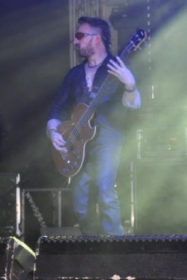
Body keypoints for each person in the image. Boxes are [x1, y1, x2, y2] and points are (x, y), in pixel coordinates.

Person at [46, 17, 140, 236]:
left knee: (106, 191)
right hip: (78, 141)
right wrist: (53, 132)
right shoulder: (74, 74)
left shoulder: (117, 67)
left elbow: (133, 106)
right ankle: (93, 246)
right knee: (79, 201)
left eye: (80, 36)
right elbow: (58, 108)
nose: (75, 41)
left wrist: (130, 85)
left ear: (96, 38)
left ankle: (117, 247)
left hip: (108, 134)